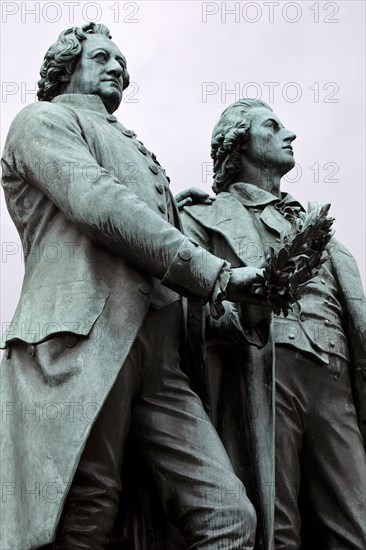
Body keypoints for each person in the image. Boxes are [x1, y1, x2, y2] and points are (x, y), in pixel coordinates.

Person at [0, 25, 263, 550]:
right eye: (102, 56)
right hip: (85, 340)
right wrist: (214, 274)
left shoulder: (139, 151)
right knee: (86, 509)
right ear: (65, 67)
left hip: (162, 361)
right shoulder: (43, 121)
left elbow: (155, 253)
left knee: (231, 517)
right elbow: (101, 205)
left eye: (122, 60)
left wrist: (225, 307)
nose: (118, 66)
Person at [181, 98, 366, 549]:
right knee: (276, 527)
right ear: (239, 142)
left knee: (354, 525)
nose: (290, 134)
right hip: (264, 369)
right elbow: (186, 311)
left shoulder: (319, 228)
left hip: (335, 377)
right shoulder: (200, 217)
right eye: (273, 126)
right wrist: (251, 311)